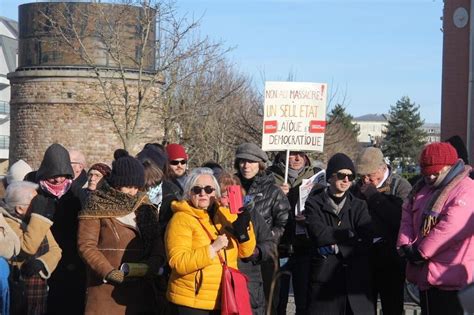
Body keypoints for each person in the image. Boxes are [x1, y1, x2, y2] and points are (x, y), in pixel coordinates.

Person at [77, 149, 164, 314]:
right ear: (116, 184)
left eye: (137, 187)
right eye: (128, 186)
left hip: (141, 291)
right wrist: (108, 272)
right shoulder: (97, 204)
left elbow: (155, 241)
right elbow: (86, 246)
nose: (133, 192)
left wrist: (154, 262)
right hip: (106, 291)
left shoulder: (145, 207)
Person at [165, 167, 256, 314]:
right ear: (189, 192)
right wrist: (212, 249)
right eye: (196, 189)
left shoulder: (225, 214)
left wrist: (245, 229)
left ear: (216, 193)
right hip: (192, 301)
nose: (203, 193)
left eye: (208, 189)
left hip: (224, 298)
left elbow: (246, 253)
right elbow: (178, 262)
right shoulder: (181, 219)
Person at [397, 142, 474, 315]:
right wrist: (405, 244)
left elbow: (452, 226)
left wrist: (420, 252)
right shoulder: (422, 189)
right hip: (426, 278)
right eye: (426, 173)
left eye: (435, 173)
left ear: (450, 167)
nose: (430, 178)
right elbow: (407, 215)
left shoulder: (467, 190)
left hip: (453, 281)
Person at [305, 153, 374, 314]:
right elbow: (318, 233)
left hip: (355, 284)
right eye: (342, 175)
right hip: (324, 282)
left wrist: (336, 247)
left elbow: (366, 239)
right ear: (330, 177)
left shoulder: (359, 206)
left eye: (351, 177)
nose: (346, 180)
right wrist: (349, 235)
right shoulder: (314, 203)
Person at [26, 143, 86, 315]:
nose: (59, 180)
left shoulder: (76, 194)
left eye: (63, 175)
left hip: (69, 263)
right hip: (39, 259)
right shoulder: (33, 190)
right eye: (54, 175)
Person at [353, 147, 412, 315]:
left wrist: (374, 197)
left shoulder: (400, 186)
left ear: (382, 167)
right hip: (364, 257)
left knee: (392, 306)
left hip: (391, 259)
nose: (365, 179)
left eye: (369, 175)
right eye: (362, 175)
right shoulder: (358, 187)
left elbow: (400, 219)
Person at [234, 143, 290, 314]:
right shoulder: (232, 188)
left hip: (264, 258)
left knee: (266, 303)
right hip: (237, 256)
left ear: (260, 164)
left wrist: (267, 242)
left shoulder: (273, 191)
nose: (246, 166)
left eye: (251, 161)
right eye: (242, 161)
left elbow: (284, 223)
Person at [268, 151, 321, 315]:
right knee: (278, 300)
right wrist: (276, 194)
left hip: (304, 246)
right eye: (292, 154)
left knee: (303, 301)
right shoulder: (269, 176)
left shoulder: (316, 177)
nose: (297, 159)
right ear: (283, 154)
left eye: (301, 154)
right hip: (279, 246)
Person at [218, 172, 275, 315]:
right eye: (224, 195)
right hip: (220, 283)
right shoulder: (212, 216)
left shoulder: (250, 214)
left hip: (249, 282)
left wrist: (257, 252)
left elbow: (270, 242)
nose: (228, 199)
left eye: (232, 194)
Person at [2, 181, 62, 314]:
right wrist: (38, 218)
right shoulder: (6, 223)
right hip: (18, 290)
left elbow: (56, 249)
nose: (37, 207)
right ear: (19, 209)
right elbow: (27, 248)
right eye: (34, 203)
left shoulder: (36, 220)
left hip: (38, 290)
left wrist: (43, 262)